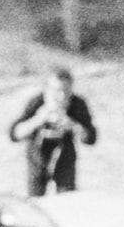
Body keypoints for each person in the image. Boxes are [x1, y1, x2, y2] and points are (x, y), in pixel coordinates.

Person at [7, 63, 96, 195]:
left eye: (66, 91)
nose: (61, 96)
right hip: (37, 157)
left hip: (64, 157)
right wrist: (38, 119)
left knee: (67, 199)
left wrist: (73, 125)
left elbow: (91, 138)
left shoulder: (77, 104)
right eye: (56, 91)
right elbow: (14, 134)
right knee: (35, 201)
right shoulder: (36, 102)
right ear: (46, 89)